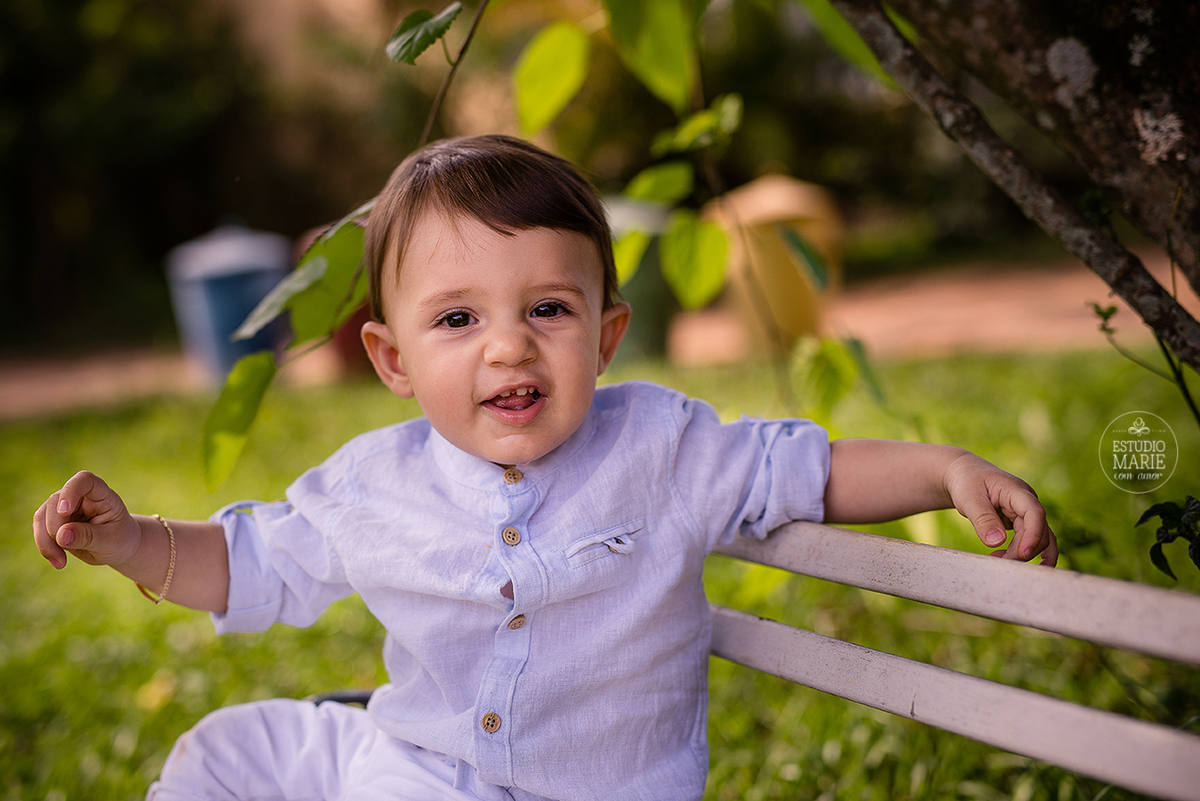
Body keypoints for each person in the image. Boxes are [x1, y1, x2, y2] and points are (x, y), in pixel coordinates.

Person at [32, 134, 1057, 801]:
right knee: (227, 753)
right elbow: (248, 563)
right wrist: (129, 540)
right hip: (421, 775)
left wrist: (943, 468)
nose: (509, 347)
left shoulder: (664, 447)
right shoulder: (371, 481)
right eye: (459, 318)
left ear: (607, 336)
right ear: (393, 359)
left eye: (549, 310)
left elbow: (811, 472)